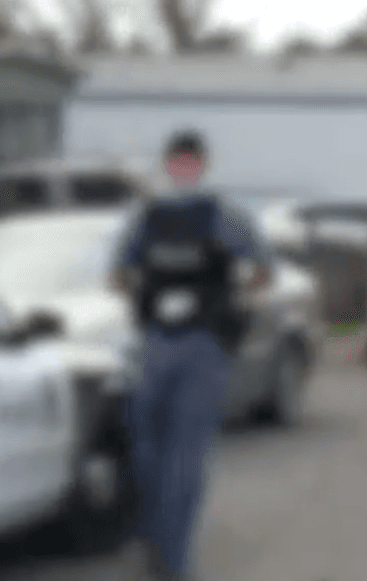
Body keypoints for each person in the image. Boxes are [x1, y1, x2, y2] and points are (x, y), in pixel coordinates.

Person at [111, 130, 272, 580]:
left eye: (187, 163)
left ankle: (168, 555)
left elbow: (119, 276)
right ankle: (165, 549)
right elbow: (262, 271)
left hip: (181, 344)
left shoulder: (183, 214)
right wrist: (228, 298)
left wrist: (154, 298)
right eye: (180, 162)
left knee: (168, 453)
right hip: (179, 342)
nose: (184, 170)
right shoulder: (166, 215)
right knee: (164, 453)